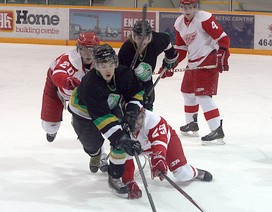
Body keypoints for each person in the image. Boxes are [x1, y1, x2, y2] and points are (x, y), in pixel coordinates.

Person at [68, 44, 150, 197]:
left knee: (121, 139)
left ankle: (114, 176)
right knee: (94, 145)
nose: (107, 69)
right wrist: (121, 138)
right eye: (102, 65)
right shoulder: (90, 83)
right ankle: (96, 154)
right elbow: (101, 117)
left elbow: (137, 92)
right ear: (96, 66)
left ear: (116, 63)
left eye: (111, 64)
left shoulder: (124, 73)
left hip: (109, 105)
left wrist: (132, 112)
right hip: (84, 113)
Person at [158, 0, 230, 145]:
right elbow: (182, 49)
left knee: (203, 96)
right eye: (184, 7)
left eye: (190, 7)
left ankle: (217, 129)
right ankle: (191, 123)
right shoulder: (179, 23)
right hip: (193, 62)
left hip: (208, 59)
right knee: (187, 92)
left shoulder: (204, 18)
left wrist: (223, 52)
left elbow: (223, 38)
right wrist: (170, 64)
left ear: (195, 7)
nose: (187, 10)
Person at [121, 108, 213, 199]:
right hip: (142, 147)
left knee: (182, 173)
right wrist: (129, 180)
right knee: (122, 150)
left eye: (138, 121)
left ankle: (196, 172)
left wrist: (159, 159)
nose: (135, 125)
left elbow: (159, 143)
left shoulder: (154, 120)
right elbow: (125, 155)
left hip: (166, 141)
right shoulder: (121, 125)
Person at [41, 32, 99, 142]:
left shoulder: (101, 61)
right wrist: (68, 82)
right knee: (49, 126)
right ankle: (52, 130)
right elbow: (57, 75)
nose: (88, 54)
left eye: (91, 50)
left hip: (82, 94)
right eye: (84, 49)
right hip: (57, 89)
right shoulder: (69, 59)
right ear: (78, 49)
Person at [118, 20, 178, 111]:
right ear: (133, 36)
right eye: (138, 37)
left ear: (150, 36)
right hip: (130, 85)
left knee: (148, 105)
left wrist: (170, 59)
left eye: (144, 37)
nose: (141, 41)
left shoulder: (157, 40)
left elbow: (167, 39)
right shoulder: (126, 50)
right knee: (131, 111)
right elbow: (120, 75)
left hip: (147, 82)